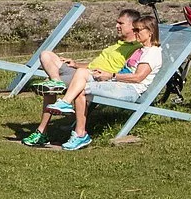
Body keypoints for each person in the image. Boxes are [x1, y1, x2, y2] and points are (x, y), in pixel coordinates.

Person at [35, 16, 162, 150]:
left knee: (82, 89)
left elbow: (138, 77)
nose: (135, 32)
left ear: (150, 32)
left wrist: (111, 75)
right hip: (119, 83)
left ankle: (80, 134)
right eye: (134, 29)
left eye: (138, 30)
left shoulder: (152, 53)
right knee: (82, 73)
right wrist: (103, 74)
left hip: (131, 89)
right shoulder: (141, 50)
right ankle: (65, 103)